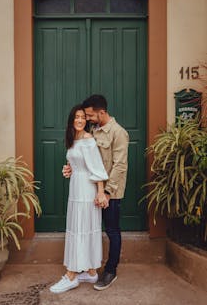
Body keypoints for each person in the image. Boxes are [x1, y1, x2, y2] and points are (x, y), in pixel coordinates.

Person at [63, 95, 129, 291]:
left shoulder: (119, 133)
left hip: (111, 191)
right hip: (90, 190)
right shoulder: (92, 130)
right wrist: (72, 168)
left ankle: (110, 270)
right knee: (88, 228)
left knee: (111, 230)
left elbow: (120, 166)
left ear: (102, 112)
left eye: (90, 115)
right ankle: (89, 269)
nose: (88, 118)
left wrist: (106, 192)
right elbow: (88, 160)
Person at [50, 104, 108, 294]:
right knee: (79, 227)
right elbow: (76, 163)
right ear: (71, 120)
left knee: (82, 228)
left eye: (83, 117)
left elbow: (97, 168)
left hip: (87, 190)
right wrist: (69, 169)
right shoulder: (73, 139)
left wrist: (100, 193)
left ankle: (71, 275)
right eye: (77, 117)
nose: (80, 120)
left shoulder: (89, 139)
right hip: (75, 188)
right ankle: (91, 272)